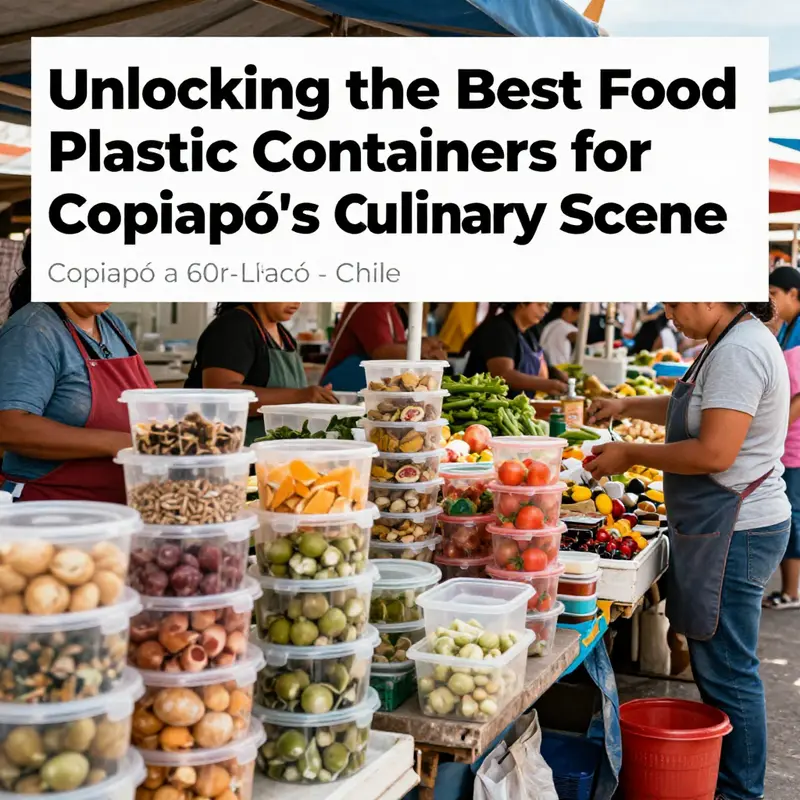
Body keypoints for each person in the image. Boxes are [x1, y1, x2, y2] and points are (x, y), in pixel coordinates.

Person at [586, 302, 790, 800]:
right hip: (726, 525)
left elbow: (714, 452)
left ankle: (741, 792)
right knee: (720, 663)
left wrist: (632, 452)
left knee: (729, 670)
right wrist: (627, 406)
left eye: (676, 302)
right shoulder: (726, 340)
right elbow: (694, 407)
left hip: (737, 529)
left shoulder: (740, 349)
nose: (671, 314)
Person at [0, 235, 156, 503]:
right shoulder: (33, 330)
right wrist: (118, 443)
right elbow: (9, 426)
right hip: (50, 508)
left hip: (113, 509)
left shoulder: (113, 325)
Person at [185, 303, 337, 444]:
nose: (297, 302)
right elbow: (221, 394)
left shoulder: (284, 336)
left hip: (273, 453)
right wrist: (301, 396)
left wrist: (315, 398)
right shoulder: (233, 327)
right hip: (230, 451)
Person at [764, 267, 800, 609]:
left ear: (794, 293)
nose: (770, 300)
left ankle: (791, 591)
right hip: (783, 439)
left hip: (795, 443)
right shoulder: (788, 328)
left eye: (775, 293)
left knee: (793, 513)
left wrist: (774, 426)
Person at [321, 302, 447, 391]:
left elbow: (396, 345)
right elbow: (381, 352)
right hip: (340, 389)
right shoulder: (369, 304)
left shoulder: (390, 307)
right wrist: (425, 352)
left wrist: (427, 345)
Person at [463, 303, 568, 396]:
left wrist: (555, 374)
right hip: (487, 408)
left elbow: (539, 364)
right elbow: (503, 375)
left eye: (547, 306)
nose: (545, 310)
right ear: (522, 303)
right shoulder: (499, 329)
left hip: (517, 407)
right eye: (540, 304)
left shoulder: (529, 334)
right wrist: (546, 385)